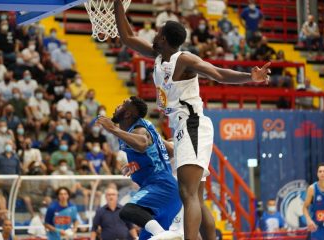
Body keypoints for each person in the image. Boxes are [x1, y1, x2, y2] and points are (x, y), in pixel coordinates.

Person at [112, 2, 271, 239]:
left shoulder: (184, 60)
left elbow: (216, 73)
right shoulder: (158, 57)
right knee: (196, 196)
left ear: (164, 39)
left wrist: (250, 77)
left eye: (158, 32)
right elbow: (127, 36)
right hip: (182, 126)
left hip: (192, 124)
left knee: (188, 193)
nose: (154, 35)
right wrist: (116, 4)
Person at [96, 96, 183, 239]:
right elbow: (169, 150)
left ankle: (161, 234)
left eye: (122, 105)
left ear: (128, 114)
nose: (117, 106)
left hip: (161, 185)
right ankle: (162, 234)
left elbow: (142, 143)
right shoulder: (146, 127)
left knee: (128, 211)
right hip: (169, 193)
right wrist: (137, 165)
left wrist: (112, 129)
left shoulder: (139, 130)